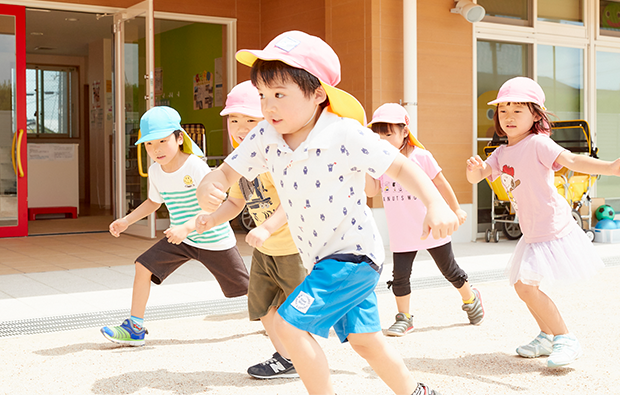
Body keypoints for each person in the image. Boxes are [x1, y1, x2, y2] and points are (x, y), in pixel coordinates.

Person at [196, 30, 458, 395]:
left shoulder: (345, 133)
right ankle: (418, 393)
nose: (268, 106)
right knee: (366, 340)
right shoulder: (264, 136)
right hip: (320, 258)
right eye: (262, 95)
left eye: (279, 95)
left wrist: (435, 203)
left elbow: (400, 166)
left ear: (318, 93)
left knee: (290, 326)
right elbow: (226, 172)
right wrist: (209, 184)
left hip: (353, 256)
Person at [466, 77, 618, 368]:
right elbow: (478, 177)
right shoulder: (501, 152)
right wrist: (474, 169)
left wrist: (610, 168)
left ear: (536, 116)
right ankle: (547, 336)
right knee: (522, 285)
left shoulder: (538, 143)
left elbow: (572, 160)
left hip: (552, 225)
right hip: (532, 230)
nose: (508, 117)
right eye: (503, 111)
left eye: (517, 110)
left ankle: (565, 338)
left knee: (525, 286)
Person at [101, 106, 249, 346]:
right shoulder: (155, 171)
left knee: (247, 289)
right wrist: (126, 220)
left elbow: (213, 206)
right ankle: (135, 328)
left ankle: (279, 319)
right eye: (149, 144)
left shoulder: (195, 166)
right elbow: (153, 202)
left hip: (214, 240)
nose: (156, 149)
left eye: (163, 141)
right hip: (182, 239)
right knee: (143, 266)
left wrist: (187, 227)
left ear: (179, 138)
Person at [196, 80, 306, 379]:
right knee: (262, 307)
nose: (241, 128)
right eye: (234, 120)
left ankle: (303, 357)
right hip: (265, 250)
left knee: (296, 311)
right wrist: (213, 219)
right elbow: (235, 201)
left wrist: (267, 227)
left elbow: (294, 201)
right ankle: (286, 358)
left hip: (294, 248)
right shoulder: (240, 162)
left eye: (250, 120)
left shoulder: (278, 156)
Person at [365, 103, 483, 337]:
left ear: (404, 132)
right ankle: (404, 318)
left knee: (450, 270)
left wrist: (456, 209)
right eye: (378, 135)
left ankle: (470, 298)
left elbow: (441, 183)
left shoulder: (421, 156)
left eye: (388, 134)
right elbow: (372, 191)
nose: (382, 140)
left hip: (431, 226)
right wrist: (365, 167)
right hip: (401, 230)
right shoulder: (379, 161)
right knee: (400, 276)